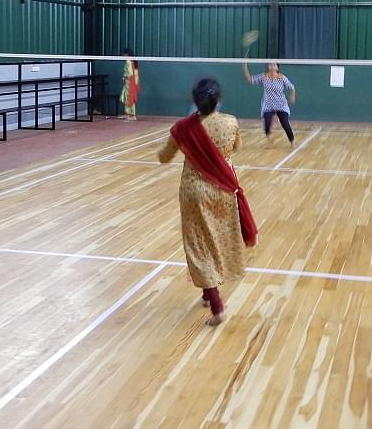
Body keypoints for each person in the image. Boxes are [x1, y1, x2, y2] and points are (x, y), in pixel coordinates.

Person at [158, 79, 257, 326]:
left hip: (194, 193)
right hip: (224, 188)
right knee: (217, 239)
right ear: (218, 100)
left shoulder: (183, 128)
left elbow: (164, 157)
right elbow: (237, 147)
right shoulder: (230, 122)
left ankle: (217, 306)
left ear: (195, 101)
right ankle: (206, 292)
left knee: (199, 245)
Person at [243, 61, 296, 145]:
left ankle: (292, 141)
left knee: (285, 124)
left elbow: (292, 87)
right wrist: (245, 67)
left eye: (274, 65)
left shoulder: (282, 78)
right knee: (267, 125)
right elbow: (250, 80)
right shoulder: (264, 77)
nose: (272, 66)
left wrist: (292, 96)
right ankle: (270, 140)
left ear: (277, 68)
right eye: (270, 64)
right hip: (268, 105)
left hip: (281, 105)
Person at [120, 48, 140, 120]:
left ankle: (132, 115)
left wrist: (124, 77)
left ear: (127, 54)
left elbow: (130, 73)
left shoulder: (128, 62)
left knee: (129, 97)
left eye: (124, 54)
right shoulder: (133, 61)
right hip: (132, 82)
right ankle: (127, 113)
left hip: (129, 82)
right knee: (127, 97)